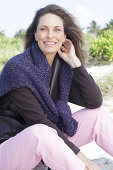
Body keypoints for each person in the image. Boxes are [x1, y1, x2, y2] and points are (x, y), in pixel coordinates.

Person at [0, 4, 113, 170]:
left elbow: (94, 101)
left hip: (48, 142)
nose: (50, 35)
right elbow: (38, 121)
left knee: (96, 115)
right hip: (9, 150)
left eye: (57, 29)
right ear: (36, 34)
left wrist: (75, 63)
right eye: (44, 29)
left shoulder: (62, 69)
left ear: (65, 35)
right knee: (41, 131)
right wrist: (82, 158)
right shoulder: (17, 68)